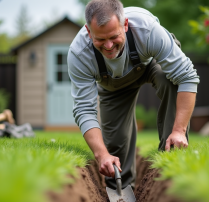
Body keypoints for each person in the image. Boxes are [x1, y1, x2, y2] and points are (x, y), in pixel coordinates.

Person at [68, 0, 199, 189]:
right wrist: (101, 154)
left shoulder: (147, 30)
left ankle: (171, 160)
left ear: (125, 25)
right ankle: (122, 187)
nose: (109, 45)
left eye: (114, 36)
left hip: (151, 64)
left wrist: (179, 130)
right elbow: (84, 109)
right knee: (115, 147)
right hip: (113, 87)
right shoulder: (79, 54)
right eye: (100, 40)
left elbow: (187, 76)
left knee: (169, 79)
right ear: (89, 33)